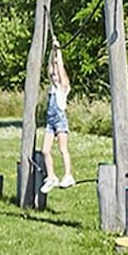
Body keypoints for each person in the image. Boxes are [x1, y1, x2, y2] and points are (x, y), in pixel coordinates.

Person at [42, 41, 76, 189]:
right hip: (50, 122)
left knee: (63, 149)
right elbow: (51, 67)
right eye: (53, 75)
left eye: (56, 75)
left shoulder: (63, 88)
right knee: (45, 150)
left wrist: (59, 50)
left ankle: (68, 175)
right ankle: (51, 176)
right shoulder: (52, 88)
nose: (54, 76)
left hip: (60, 121)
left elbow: (60, 69)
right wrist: (52, 51)